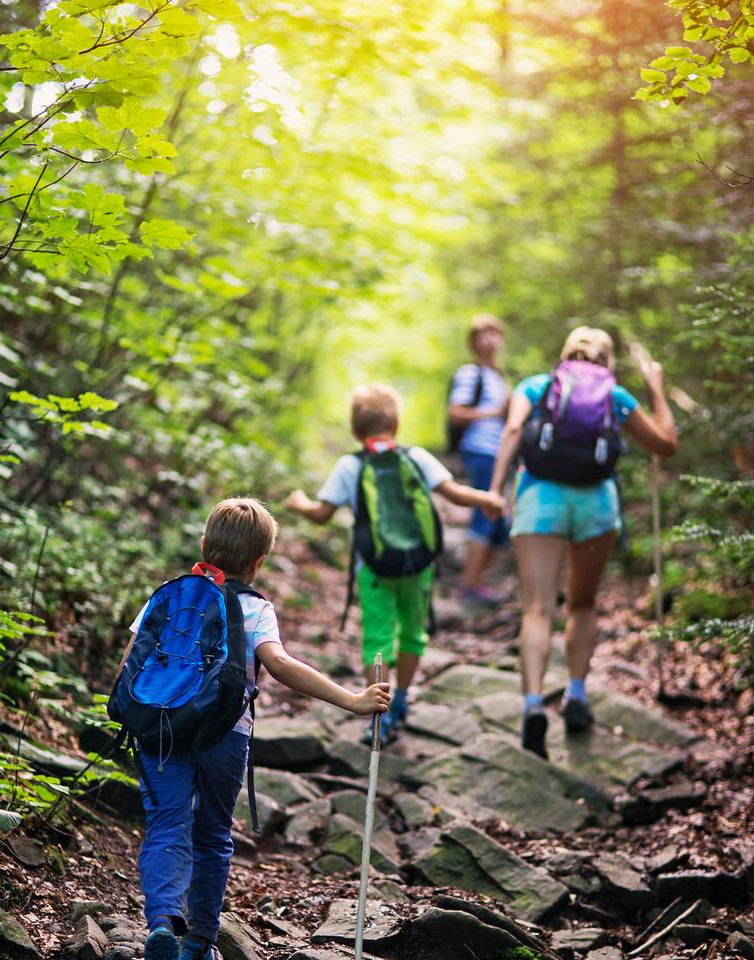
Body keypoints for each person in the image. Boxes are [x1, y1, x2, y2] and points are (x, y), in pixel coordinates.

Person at [116, 497, 391, 960]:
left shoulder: (168, 598)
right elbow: (281, 666)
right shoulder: (254, 607)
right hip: (225, 737)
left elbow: (132, 667)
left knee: (167, 826)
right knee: (214, 833)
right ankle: (197, 946)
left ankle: (159, 927)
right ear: (259, 561)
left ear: (203, 545)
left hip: (160, 734)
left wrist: (135, 723)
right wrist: (352, 700)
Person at [489, 327, 677, 759]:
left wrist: (496, 490)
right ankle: (575, 694)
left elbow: (514, 429)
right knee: (583, 604)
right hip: (595, 504)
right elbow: (665, 445)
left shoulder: (536, 386)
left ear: (564, 354)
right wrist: (656, 391)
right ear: (608, 361)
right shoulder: (616, 395)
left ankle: (533, 704)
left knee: (537, 607)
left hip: (539, 499)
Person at [287, 383, 504, 744]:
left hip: (374, 569)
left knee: (378, 637)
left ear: (356, 431)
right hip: (418, 565)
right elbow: (455, 494)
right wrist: (488, 499)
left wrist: (299, 504)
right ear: (397, 424)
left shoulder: (350, 465)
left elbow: (322, 514)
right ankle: (401, 700)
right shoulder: (415, 457)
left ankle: (379, 713)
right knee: (413, 633)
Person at [447, 314, 512, 606]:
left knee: (498, 522)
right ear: (473, 342)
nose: (491, 340)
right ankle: (468, 585)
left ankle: (477, 582)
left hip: (499, 453)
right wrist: (493, 413)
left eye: (495, 334)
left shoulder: (498, 376)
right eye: (484, 335)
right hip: (481, 449)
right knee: (485, 515)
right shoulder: (470, 373)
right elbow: (456, 412)